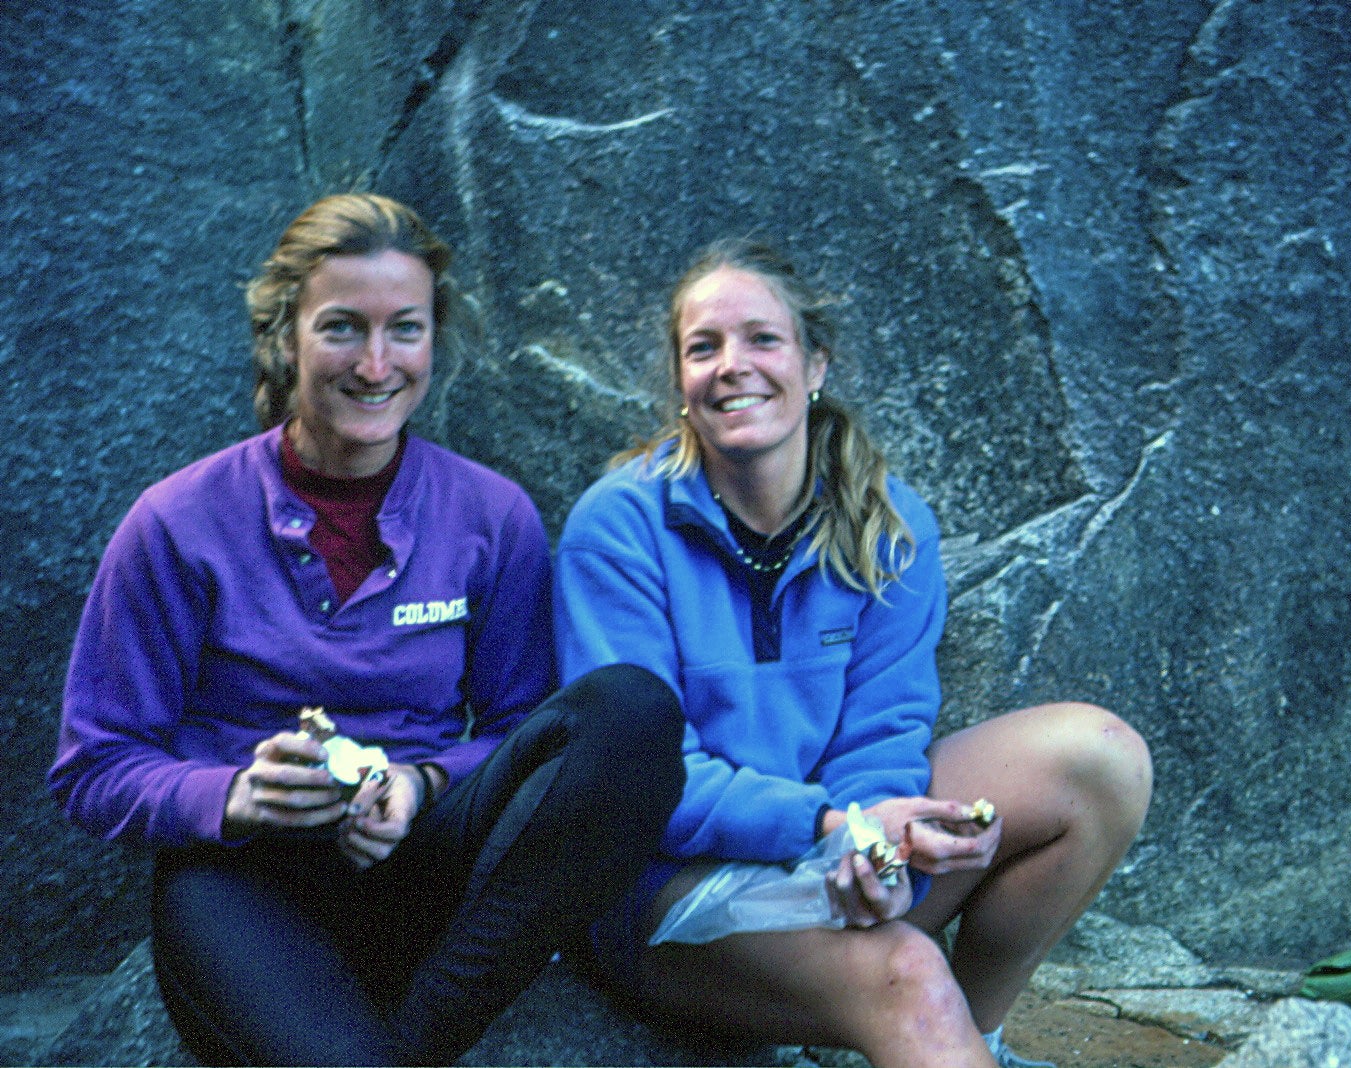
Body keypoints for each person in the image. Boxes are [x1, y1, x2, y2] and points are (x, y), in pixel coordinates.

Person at [48, 193, 685, 1067]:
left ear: (435, 342)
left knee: (631, 712)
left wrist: (422, 782)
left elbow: (522, 733)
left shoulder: (490, 515)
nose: (377, 363)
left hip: (425, 860)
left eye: (406, 330)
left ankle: (419, 1040)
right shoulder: (176, 523)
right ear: (285, 336)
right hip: (245, 884)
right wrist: (235, 795)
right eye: (343, 327)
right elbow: (95, 766)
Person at [553, 238, 1154, 1068]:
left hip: (832, 838)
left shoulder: (888, 524)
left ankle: (970, 1037)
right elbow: (638, 778)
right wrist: (831, 829)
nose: (734, 366)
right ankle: (911, 1014)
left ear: (815, 364)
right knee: (907, 971)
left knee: (1101, 761)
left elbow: (886, 729)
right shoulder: (618, 529)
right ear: (680, 384)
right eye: (704, 347)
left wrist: (876, 846)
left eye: (763, 339)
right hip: (668, 891)